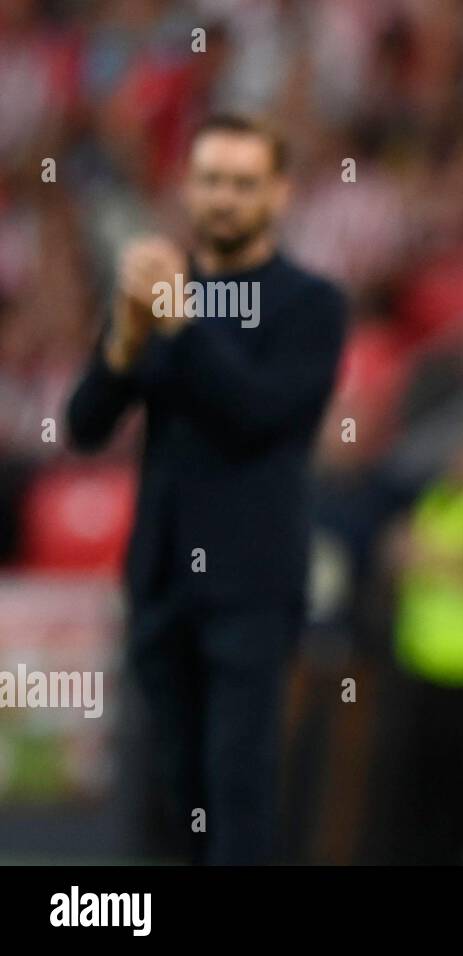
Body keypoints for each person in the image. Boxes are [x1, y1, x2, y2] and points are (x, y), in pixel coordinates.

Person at [66, 114, 346, 864]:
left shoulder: (310, 304)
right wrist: (125, 339)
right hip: (160, 577)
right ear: (187, 188)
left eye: (244, 184)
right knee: (169, 793)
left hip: (251, 581)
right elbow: (84, 426)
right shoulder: (159, 290)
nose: (225, 199)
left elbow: (259, 413)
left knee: (239, 787)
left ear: (280, 194)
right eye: (212, 181)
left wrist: (182, 326)